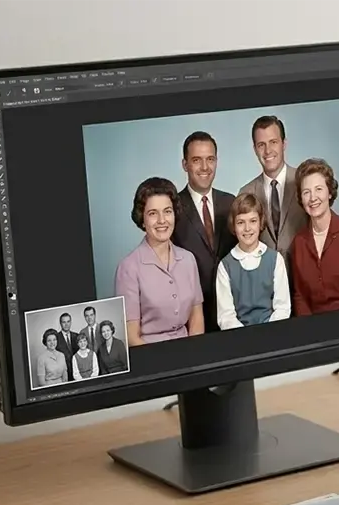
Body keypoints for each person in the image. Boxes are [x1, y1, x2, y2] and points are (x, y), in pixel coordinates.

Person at [114, 177, 205, 346]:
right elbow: (131, 337)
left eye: (167, 211)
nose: (162, 220)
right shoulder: (128, 268)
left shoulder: (188, 259)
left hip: (190, 352)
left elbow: (196, 319)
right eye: (153, 213)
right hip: (149, 355)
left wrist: (193, 353)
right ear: (142, 219)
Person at [172, 131, 237, 332]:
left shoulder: (231, 203)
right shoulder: (172, 209)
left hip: (233, 313)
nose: (205, 167)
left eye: (210, 159)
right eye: (196, 160)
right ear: (185, 165)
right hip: (192, 319)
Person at [289, 157, 339, 316]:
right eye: (306, 192)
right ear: (301, 199)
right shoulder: (299, 242)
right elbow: (300, 298)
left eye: (318, 189)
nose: (313, 198)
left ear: (330, 193)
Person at [215, 192, 290, 330]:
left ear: (261, 222)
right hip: (239, 337)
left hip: (273, 332)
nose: (247, 228)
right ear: (233, 225)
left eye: (253, 221)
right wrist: (246, 337)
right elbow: (226, 316)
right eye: (241, 222)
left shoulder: (275, 260)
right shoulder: (225, 266)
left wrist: (266, 333)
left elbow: (282, 308)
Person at [238, 116, 306, 267]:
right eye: (261, 145)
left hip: (304, 273)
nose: (268, 151)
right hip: (264, 276)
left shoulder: (303, 181)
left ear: (284, 144)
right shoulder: (246, 193)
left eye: (273, 142)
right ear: (255, 149)